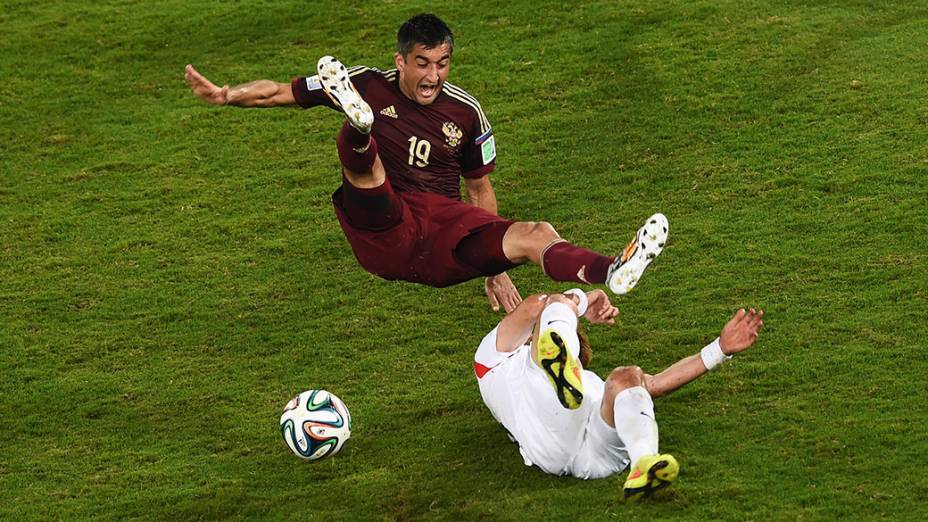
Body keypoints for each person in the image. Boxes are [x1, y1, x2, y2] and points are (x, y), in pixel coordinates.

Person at [184, 14, 667, 311]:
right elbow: (277, 93)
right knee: (367, 172)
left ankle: (611, 270)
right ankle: (360, 126)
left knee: (535, 234)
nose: (433, 74)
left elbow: (479, 192)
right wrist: (227, 95)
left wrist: (494, 264)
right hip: (384, 227)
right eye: (422, 63)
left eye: (442, 63)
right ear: (400, 61)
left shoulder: (467, 113)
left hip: (440, 237)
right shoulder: (367, 82)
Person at [473, 288, 764, 500]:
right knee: (553, 310)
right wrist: (581, 300)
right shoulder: (497, 363)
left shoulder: (590, 383)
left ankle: (645, 462)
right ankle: (560, 357)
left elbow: (656, 385)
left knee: (628, 376)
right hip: (550, 439)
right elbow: (539, 305)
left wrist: (720, 349)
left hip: (594, 458)